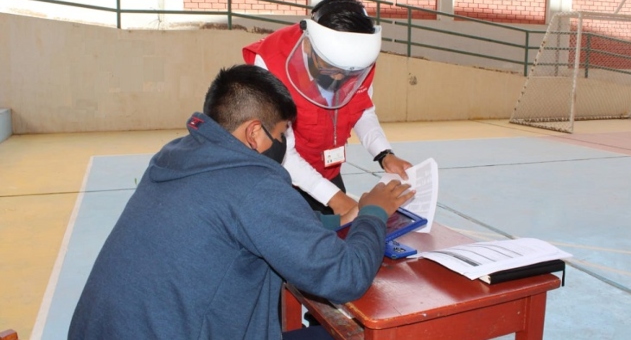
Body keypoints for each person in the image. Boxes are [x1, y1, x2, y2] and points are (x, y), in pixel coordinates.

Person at [67, 65, 414, 340]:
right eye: (280, 135)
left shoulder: (179, 154)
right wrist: (372, 212)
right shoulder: (251, 183)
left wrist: (328, 223)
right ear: (254, 133)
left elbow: (237, 222)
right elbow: (345, 277)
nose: (282, 144)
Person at [243, 0, 413, 218]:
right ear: (307, 46)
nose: (341, 77)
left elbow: (362, 109)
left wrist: (384, 153)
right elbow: (281, 150)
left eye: (349, 72)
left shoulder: (358, 59)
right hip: (282, 178)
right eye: (330, 69)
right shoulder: (271, 64)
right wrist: (335, 199)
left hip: (327, 172)